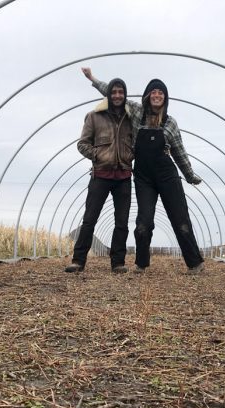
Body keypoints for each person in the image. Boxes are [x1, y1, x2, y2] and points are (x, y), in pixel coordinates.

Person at [82, 68, 205, 274]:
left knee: (180, 220)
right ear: (148, 96)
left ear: (165, 99)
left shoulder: (171, 123)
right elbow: (112, 93)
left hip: (167, 176)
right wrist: (93, 79)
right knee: (143, 223)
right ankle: (141, 263)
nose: (157, 96)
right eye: (153, 92)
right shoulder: (137, 113)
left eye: (161, 93)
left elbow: (180, 153)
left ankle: (195, 263)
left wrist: (190, 175)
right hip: (144, 177)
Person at [65, 78, 134, 273]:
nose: (117, 96)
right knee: (90, 219)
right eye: (114, 92)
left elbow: (137, 143)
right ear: (108, 95)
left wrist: (130, 155)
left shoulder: (131, 119)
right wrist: (97, 154)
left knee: (122, 221)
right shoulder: (94, 117)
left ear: (125, 95)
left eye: (121, 92)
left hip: (123, 176)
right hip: (100, 175)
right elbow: (82, 144)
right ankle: (78, 261)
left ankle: (118, 262)